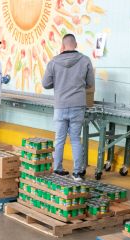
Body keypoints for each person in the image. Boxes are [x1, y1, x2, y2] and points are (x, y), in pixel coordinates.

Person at [41, 33, 95, 180]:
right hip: (78, 105)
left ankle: (58, 169)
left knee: (59, 139)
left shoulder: (54, 62)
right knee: (76, 139)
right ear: (76, 45)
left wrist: (58, 82)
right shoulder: (85, 61)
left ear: (62, 46)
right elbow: (90, 83)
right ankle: (77, 172)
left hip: (60, 106)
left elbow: (45, 84)